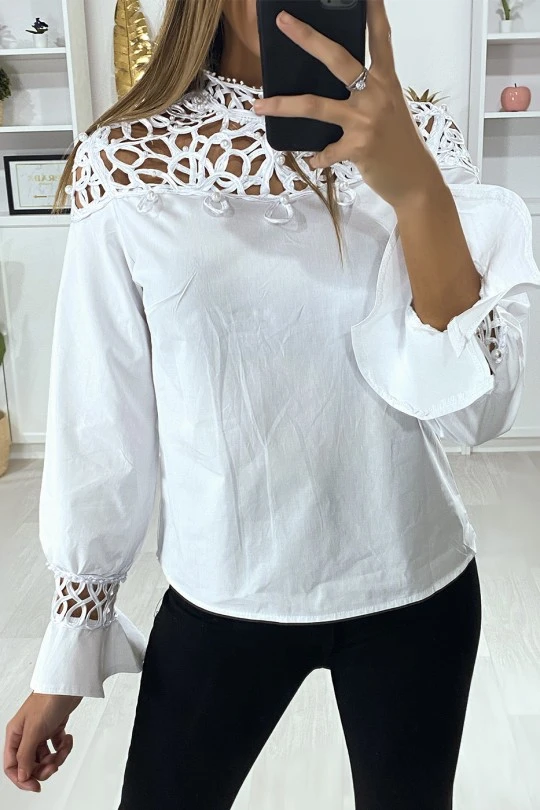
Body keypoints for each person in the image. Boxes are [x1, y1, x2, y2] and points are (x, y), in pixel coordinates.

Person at [4, 0, 540, 806]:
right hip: (226, 591)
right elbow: (100, 421)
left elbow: (478, 414)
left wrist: (418, 191)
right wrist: (70, 646)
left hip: (415, 583)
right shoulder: (128, 158)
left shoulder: (420, 137)